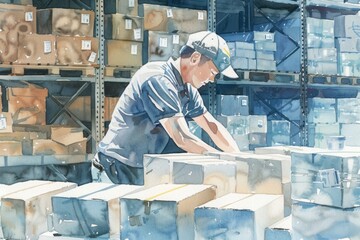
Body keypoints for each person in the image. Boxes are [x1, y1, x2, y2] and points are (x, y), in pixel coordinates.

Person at [92, 31, 241, 185]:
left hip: (139, 168)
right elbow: (182, 137)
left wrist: (238, 157)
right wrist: (221, 161)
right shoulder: (158, 79)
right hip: (114, 167)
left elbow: (212, 126)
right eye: (212, 72)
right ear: (195, 58)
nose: (211, 80)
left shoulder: (187, 90)